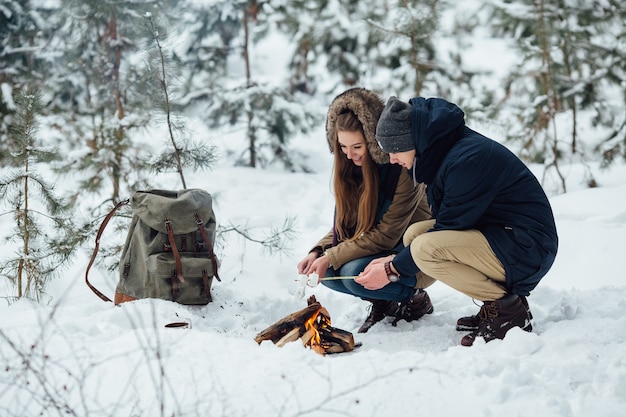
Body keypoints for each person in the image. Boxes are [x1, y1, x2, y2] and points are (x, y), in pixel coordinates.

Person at [358, 96, 558, 346]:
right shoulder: (446, 151)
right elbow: (450, 221)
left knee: (424, 247)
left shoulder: (466, 158)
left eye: (394, 151)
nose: (392, 160)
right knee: (416, 235)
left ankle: (508, 311)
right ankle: (496, 303)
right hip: (504, 236)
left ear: (411, 142)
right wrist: (395, 261)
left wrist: (392, 268)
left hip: (526, 247)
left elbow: (450, 226)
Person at [297, 88, 434, 333]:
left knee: (349, 272)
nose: (349, 155)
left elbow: (386, 235)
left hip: (410, 252)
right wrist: (318, 251)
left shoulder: (401, 167)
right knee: (326, 271)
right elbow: (345, 225)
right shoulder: (352, 168)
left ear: (373, 141)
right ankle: (385, 302)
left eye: (357, 146)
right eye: (342, 147)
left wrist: (333, 255)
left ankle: (414, 300)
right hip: (380, 247)